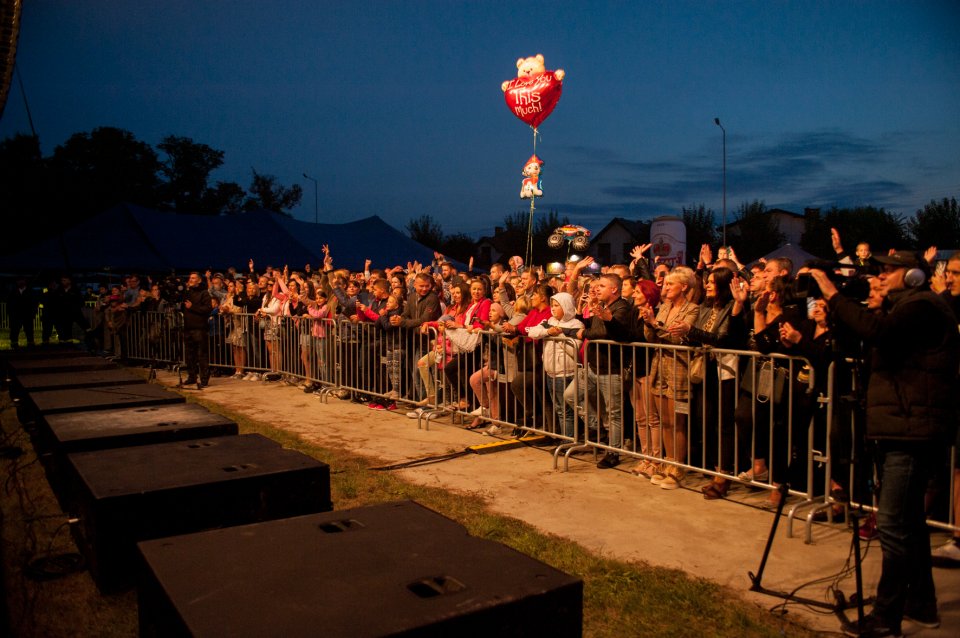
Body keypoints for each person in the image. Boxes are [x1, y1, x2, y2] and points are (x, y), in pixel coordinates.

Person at [811, 251, 959, 637]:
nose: (878, 277)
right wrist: (841, 316)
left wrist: (830, 291)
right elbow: (864, 343)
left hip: (913, 429)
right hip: (901, 426)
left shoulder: (924, 306)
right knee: (909, 524)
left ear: (913, 275)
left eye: (886, 271)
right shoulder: (902, 310)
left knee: (892, 525)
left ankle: (886, 618)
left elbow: (879, 335)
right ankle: (921, 605)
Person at [573, 273, 633, 469]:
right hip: (593, 366)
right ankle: (599, 431)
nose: (596, 289)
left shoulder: (621, 307)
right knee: (572, 396)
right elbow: (593, 327)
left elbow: (608, 333)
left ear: (614, 289)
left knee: (614, 413)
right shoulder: (602, 306)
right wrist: (585, 314)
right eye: (597, 286)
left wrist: (586, 333)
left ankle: (613, 452)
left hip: (611, 369)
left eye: (601, 286)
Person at [181, 272, 213, 387]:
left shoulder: (204, 293)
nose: (191, 279)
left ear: (199, 280)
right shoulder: (188, 292)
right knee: (189, 355)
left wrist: (193, 307)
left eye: (193, 278)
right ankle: (192, 376)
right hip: (188, 327)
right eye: (190, 278)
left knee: (201, 355)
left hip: (199, 328)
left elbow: (207, 308)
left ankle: (204, 379)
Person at [7, 277, 37, 349]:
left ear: (25, 281)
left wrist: (33, 313)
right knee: (14, 330)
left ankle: (30, 343)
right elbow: (9, 304)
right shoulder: (13, 292)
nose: (20, 282)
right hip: (16, 315)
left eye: (22, 280)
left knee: (29, 330)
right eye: (19, 281)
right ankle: (14, 344)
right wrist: (11, 314)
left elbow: (34, 303)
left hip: (27, 315)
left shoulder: (30, 291)